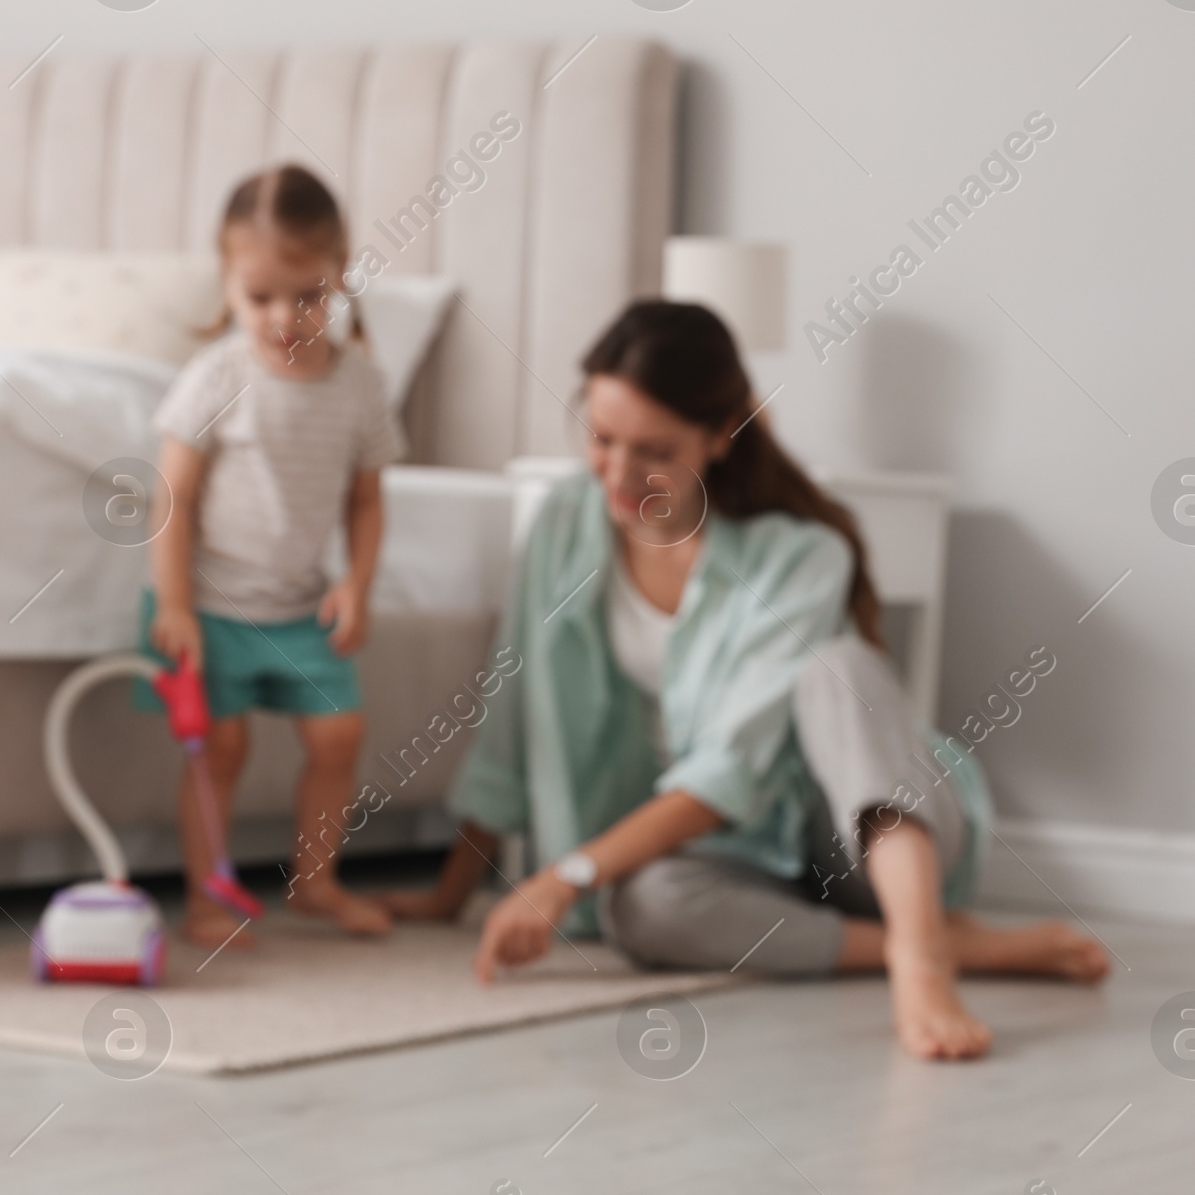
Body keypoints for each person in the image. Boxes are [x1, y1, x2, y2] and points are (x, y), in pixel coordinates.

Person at [389, 299, 1108, 1059]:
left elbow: (729, 770)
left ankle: (923, 955)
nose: (621, 475)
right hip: (740, 859)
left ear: (719, 438)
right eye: (601, 439)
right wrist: (452, 892)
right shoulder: (565, 523)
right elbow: (515, 710)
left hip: (856, 838)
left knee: (842, 667)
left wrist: (567, 872)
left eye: (654, 450)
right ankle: (952, 943)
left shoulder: (799, 555)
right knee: (640, 906)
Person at [144, 164, 402, 947]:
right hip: (213, 610)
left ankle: (316, 881)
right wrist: (175, 603)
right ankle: (206, 897)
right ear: (227, 284)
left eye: (309, 295)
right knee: (219, 749)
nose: (285, 316)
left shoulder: (360, 385)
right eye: (260, 298)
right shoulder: (216, 375)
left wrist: (358, 584)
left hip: (301, 606)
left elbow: (366, 498)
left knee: (338, 735)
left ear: (340, 277)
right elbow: (171, 497)